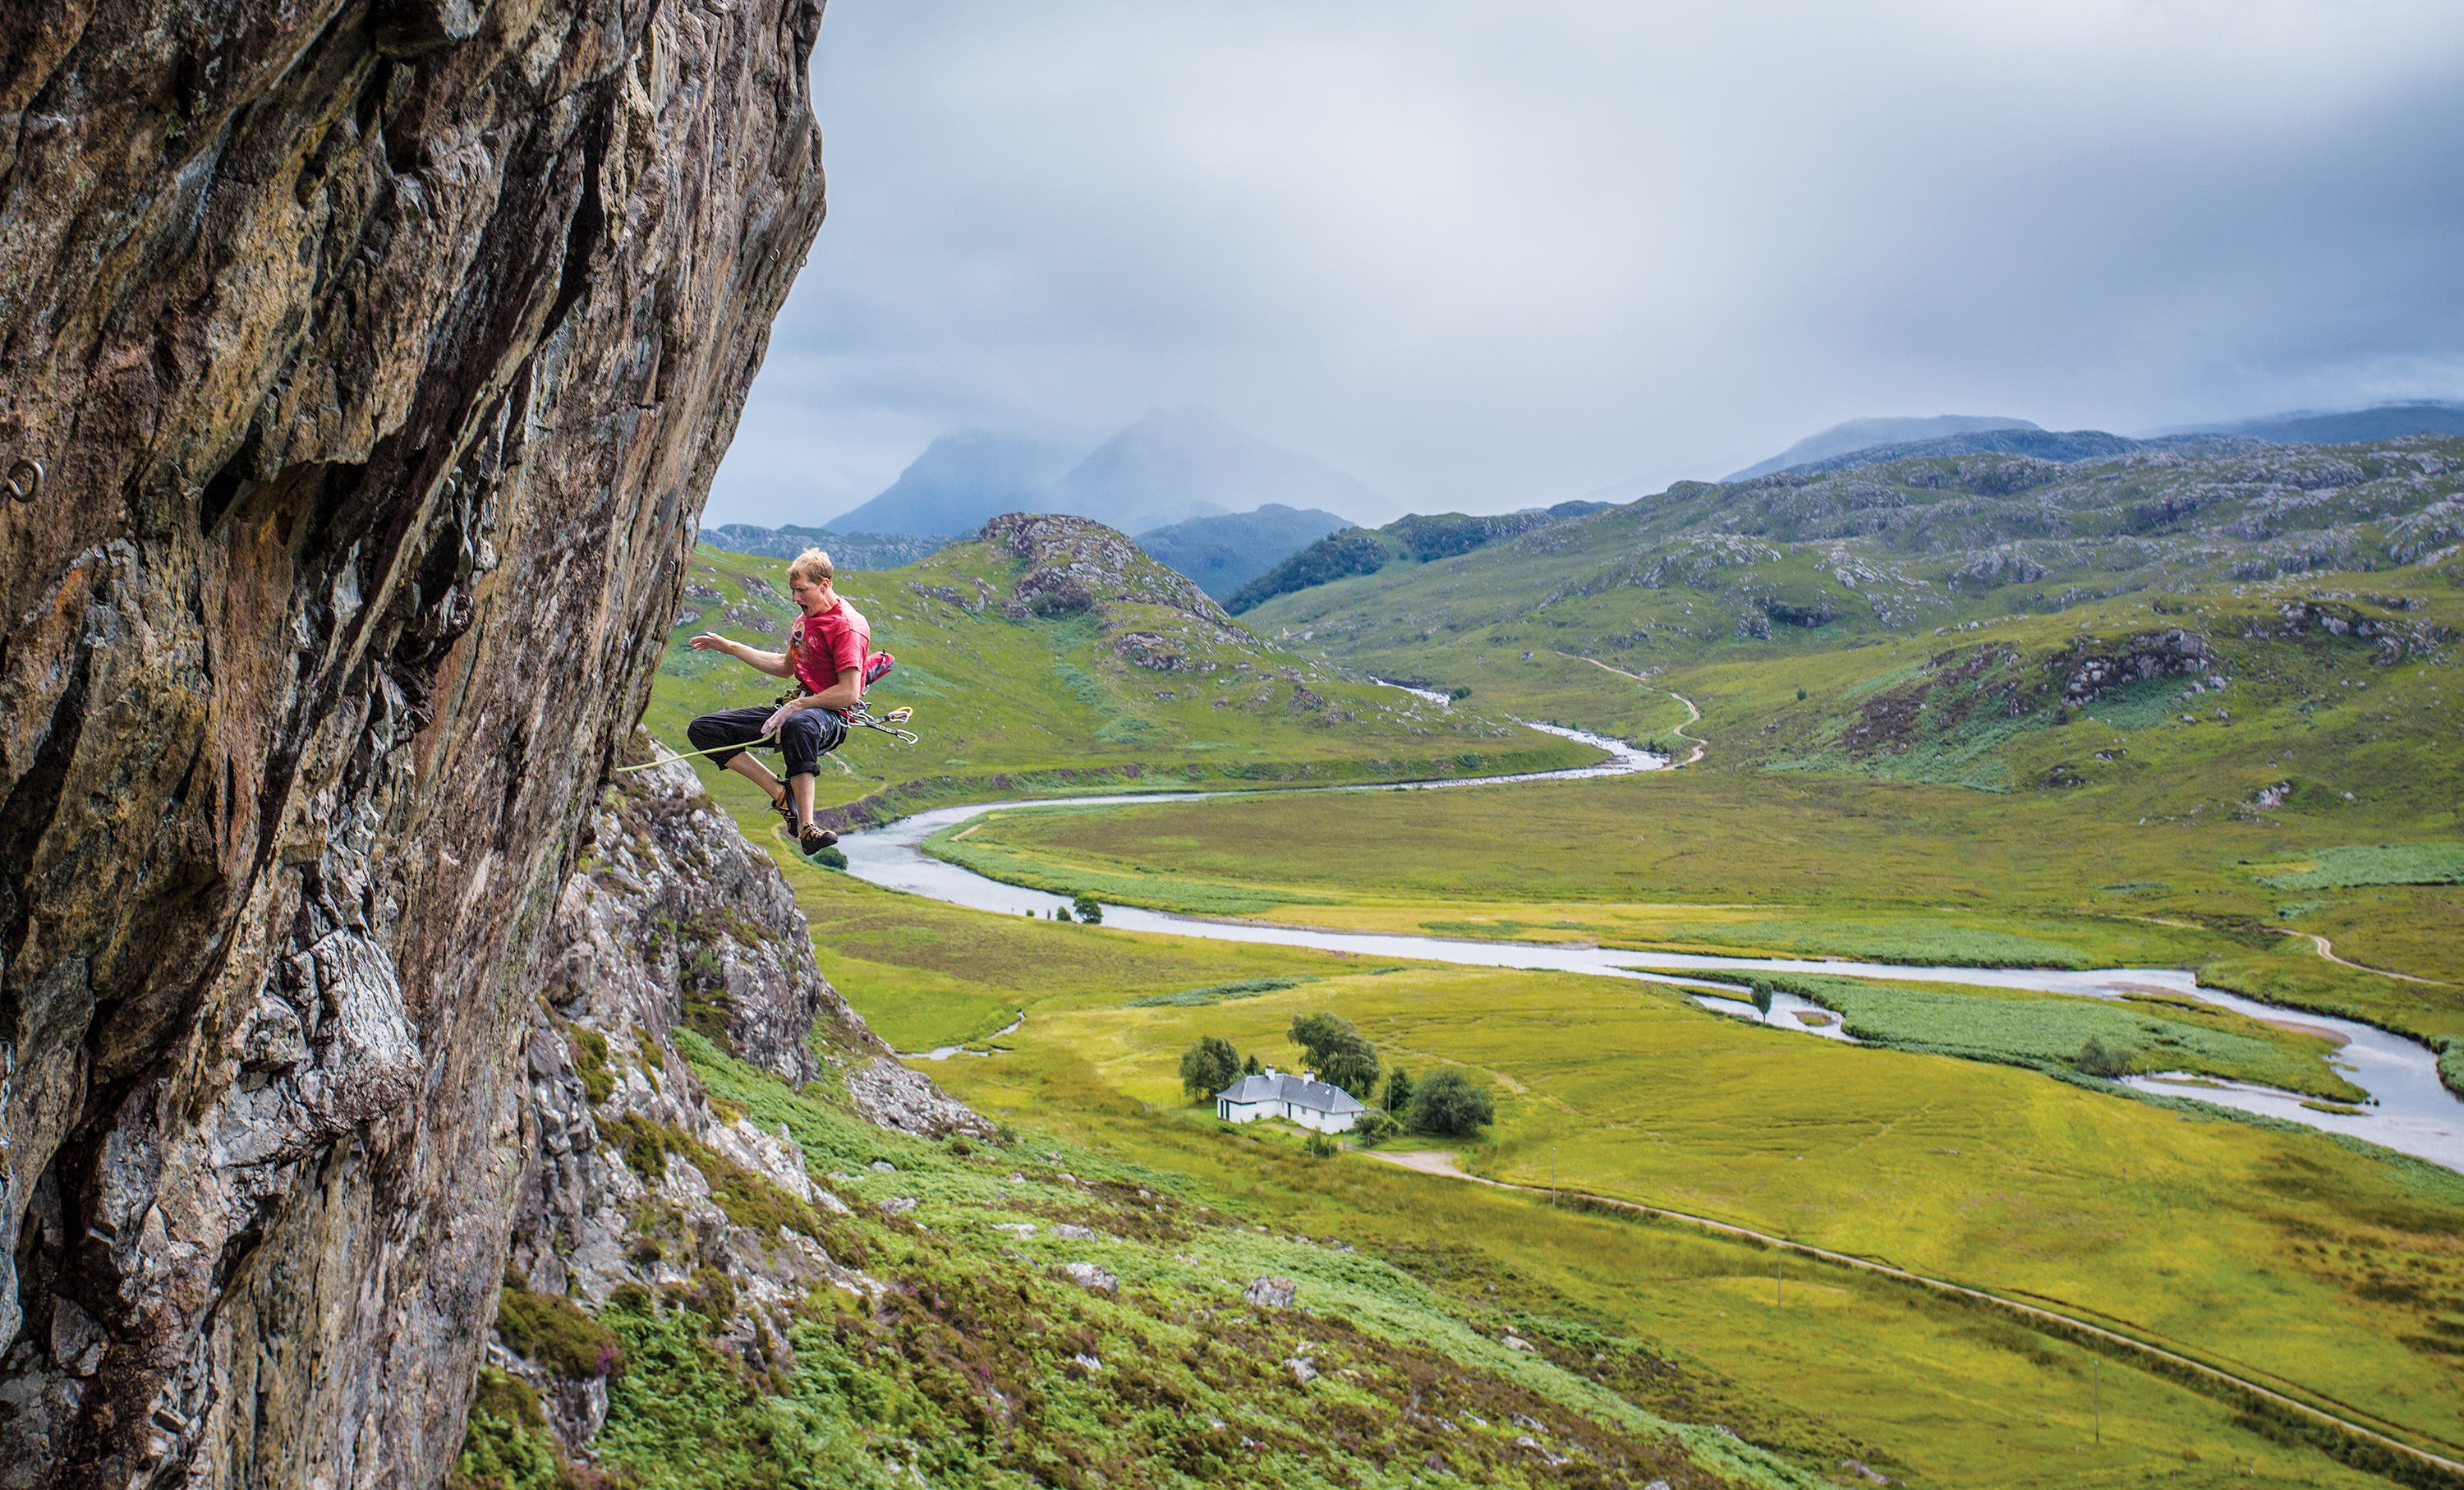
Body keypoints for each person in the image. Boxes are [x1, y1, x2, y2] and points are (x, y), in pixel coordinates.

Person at [685, 548, 871, 856]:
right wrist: (731, 648)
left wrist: (797, 706)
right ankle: (780, 792)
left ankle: (807, 827)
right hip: (798, 706)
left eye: (802, 590)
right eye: (793, 591)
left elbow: (849, 692)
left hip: (831, 715)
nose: (796, 598)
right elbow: (786, 668)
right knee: (704, 730)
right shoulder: (803, 621)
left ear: (824, 584)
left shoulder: (847, 626)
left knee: (798, 724)